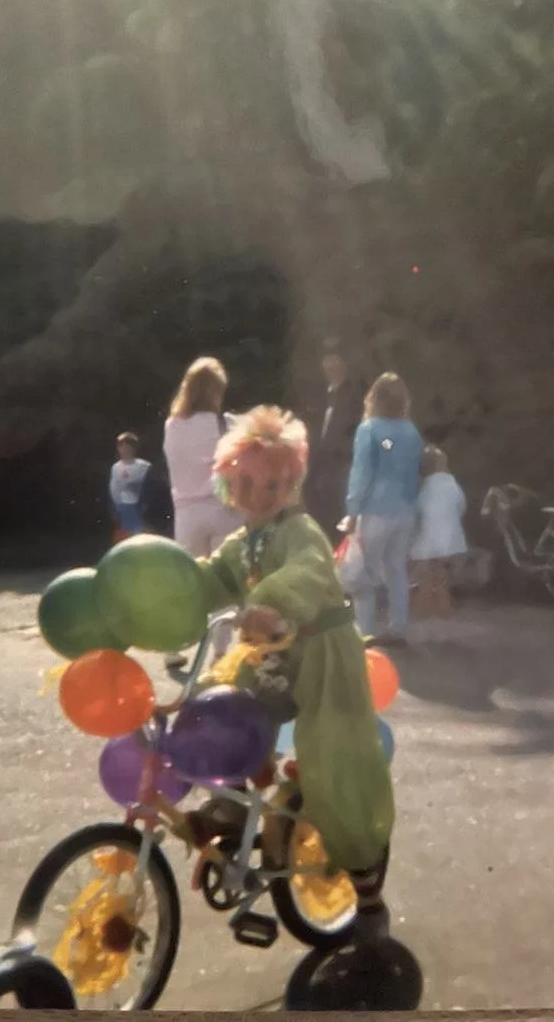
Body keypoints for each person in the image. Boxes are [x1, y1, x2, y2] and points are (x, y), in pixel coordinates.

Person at [182, 405, 393, 939]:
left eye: (274, 484)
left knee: (334, 764)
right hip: (274, 653)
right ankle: (232, 811)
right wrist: (171, 592)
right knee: (221, 709)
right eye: (246, 483)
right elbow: (215, 577)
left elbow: (308, 570)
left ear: (291, 485)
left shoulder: (300, 531)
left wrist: (271, 603)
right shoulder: (244, 540)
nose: (259, 495)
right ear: (229, 483)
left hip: (322, 653)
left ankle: (368, 897)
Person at [163, 356, 241, 667]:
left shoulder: (172, 425)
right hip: (222, 509)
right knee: (222, 583)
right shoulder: (223, 423)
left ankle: (172, 644)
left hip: (186, 512)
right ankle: (220, 653)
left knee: (187, 584)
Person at [339, 373, 424, 644]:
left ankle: (363, 631)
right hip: (405, 510)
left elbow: (362, 472)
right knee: (396, 569)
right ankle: (397, 626)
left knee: (363, 573)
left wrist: (352, 511)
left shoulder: (370, 430)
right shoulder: (411, 432)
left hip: (375, 509)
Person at [303, 337, 365, 546]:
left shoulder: (356, 396)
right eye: (327, 359)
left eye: (336, 359)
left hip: (343, 471)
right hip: (318, 472)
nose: (331, 365)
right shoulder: (318, 396)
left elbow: (380, 441)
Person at [410, 445, 467, 619]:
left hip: (427, 540)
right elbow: (461, 507)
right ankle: (444, 610)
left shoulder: (424, 489)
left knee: (424, 577)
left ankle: (423, 610)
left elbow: (416, 513)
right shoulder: (453, 486)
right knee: (443, 577)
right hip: (451, 540)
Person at [108, 433, 150, 539]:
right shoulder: (116, 468)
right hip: (122, 508)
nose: (125, 450)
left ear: (134, 448)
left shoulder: (144, 466)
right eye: (121, 446)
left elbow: (149, 488)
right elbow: (114, 489)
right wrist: (115, 508)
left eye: (128, 446)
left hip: (140, 509)